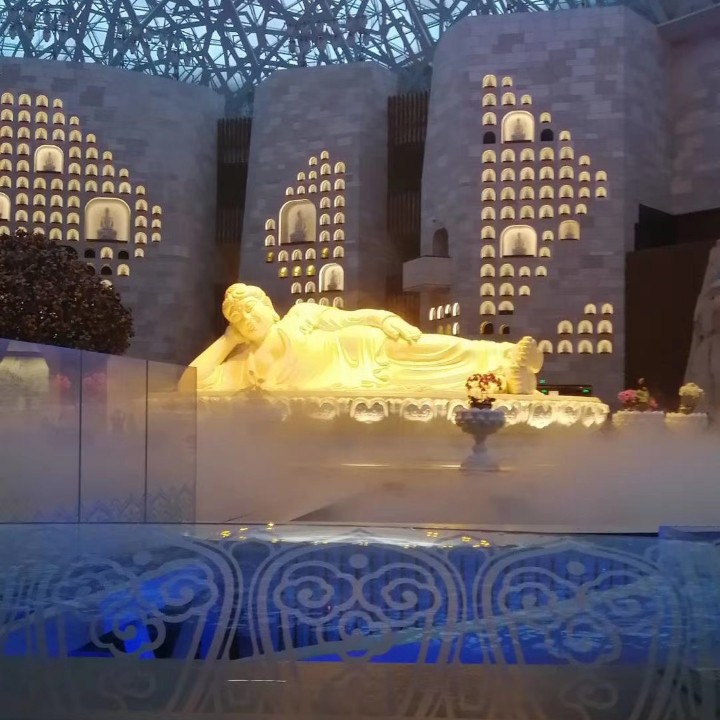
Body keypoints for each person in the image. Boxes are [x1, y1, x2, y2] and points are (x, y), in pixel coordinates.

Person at [181, 284, 543, 395]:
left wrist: (385, 318)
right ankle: (504, 379)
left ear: (268, 307)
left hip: (367, 347)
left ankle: (506, 354)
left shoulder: (300, 316)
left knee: (437, 347)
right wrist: (228, 339)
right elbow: (189, 385)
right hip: (364, 381)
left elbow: (354, 318)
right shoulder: (245, 366)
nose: (247, 319)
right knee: (436, 382)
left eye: (250, 309)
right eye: (238, 319)